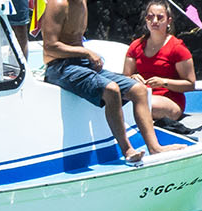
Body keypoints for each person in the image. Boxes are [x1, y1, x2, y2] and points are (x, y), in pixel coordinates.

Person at [42, 0, 184, 162]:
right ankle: (128, 150)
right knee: (111, 89)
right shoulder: (58, 4)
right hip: (60, 67)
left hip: (81, 63)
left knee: (139, 90)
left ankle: (155, 148)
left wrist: (85, 56)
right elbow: (50, 47)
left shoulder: (82, 3)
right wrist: (87, 53)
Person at [124, 1, 198, 134]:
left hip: (170, 100)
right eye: (150, 17)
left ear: (169, 21)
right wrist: (132, 78)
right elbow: (125, 77)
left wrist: (163, 82)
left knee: (142, 104)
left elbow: (190, 84)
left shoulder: (177, 48)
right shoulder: (136, 46)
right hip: (142, 94)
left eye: (160, 17)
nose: (154, 21)